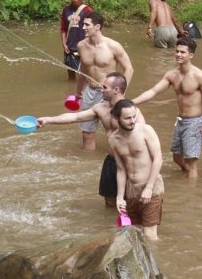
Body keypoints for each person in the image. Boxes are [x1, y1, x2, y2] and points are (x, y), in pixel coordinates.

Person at [37, 73, 139, 207]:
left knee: (131, 202)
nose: (101, 89)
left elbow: (142, 136)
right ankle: (111, 227)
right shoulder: (101, 108)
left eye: (105, 87)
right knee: (109, 202)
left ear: (116, 90)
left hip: (128, 161)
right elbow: (76, 117)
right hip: (111, 159)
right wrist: (48, 120)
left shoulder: (131, 111)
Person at [132, 36, 202, 179]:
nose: (178, 54)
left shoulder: (200, 76)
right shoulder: (172, 74)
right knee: (177, 158)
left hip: (194, 122)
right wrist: (132, 102)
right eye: (177, 51)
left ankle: (191, 193)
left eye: (182, 52)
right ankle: (187, 173)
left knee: (192, 162)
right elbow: (153, 91)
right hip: (180, 121)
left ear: (191, 55)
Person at [72, 12, 134, 151]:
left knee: (115, 131)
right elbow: (83, 70)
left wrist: (120, 94)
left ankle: (122, 161)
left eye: (87, 24)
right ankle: (88, 165)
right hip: (90, 92)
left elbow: (129, 69)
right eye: (83, 24)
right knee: (87, 133)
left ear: (97, 26)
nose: (83, 27)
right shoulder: (81, 45)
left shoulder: (113, 46)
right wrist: (78, 92)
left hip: (109, 93)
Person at [107, 99, 163, 241]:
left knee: (150, 235)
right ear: (116, 118)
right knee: (135, 232)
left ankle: (156, 262)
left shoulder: (146, 130)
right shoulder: (113, 139)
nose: (132, 121)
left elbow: (158, 159)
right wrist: (120, 197)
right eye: (127, 118)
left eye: (134, 116)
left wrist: (149, 188)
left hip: (151, 186)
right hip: (131, 190)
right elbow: (121, 169)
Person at [60, 0, 94, 81]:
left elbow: (92, 29)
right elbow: (63, 29)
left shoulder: (88, 10)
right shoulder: (66, 10)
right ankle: (72, 92)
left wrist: (89, 45)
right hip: (69, 46)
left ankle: (82, 94)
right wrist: (64, 44)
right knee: (71, 76)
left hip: (84, 46)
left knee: (86, 76)